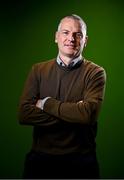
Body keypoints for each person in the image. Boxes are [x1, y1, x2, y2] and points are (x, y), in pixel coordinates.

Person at [18, 14, 106, 179]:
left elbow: (88, 115)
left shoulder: (95, 73)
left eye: (77, 34)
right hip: (40, 161)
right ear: (56, 37)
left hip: (81, 162)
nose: (71, 39)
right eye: (65, 32)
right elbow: (24, 114)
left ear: (85, 40)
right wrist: (75, 112)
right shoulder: (38, 70)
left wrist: (46, 104)